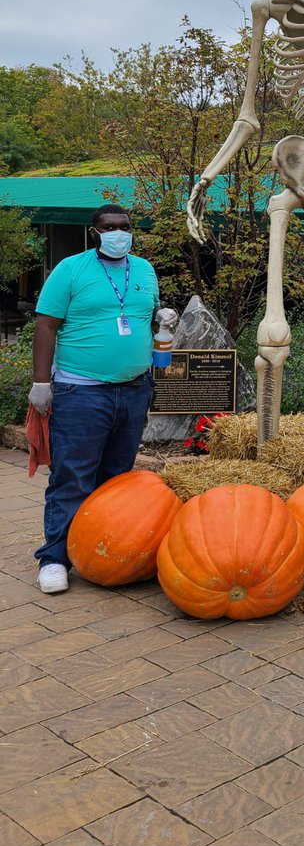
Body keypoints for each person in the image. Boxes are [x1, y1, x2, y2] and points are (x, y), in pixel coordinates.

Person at [28, 204, 178, 595]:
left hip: (133, 389)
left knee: (117, 479)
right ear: (95, 232)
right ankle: (55, 557)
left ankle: (107, 551)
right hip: (81, 391)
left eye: (124, 227)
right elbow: (46, 325)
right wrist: (41, 382)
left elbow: (143, 320)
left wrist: (162, 322)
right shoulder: (70, 269)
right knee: (72, 476)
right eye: (109, 227)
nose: (118, 233)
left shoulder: (144, 270)